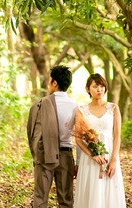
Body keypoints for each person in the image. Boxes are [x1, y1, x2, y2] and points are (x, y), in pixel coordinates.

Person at [72, 73, 126, 208]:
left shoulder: (113, 108)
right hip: (90, 159)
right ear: (88, 89)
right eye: (95, 86)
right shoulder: (81, 110)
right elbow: (78, 140)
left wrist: (114, 160)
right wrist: (93, 155)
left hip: (109, 156)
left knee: (109, 192)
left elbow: (117, 136)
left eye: (102, 86)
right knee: (91, 192)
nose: (99, 89)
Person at [27, 65, 78, 208]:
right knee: (66, 200)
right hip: (66, 156)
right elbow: (80, 136)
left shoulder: (41, 104)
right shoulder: (75, 106)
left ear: (54, 83)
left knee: (40, 198)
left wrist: (36, 154)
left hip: (44, 155)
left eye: (50, 80)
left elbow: (32, 132)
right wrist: (78, 162)